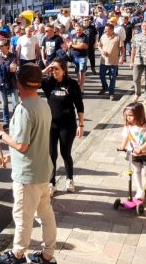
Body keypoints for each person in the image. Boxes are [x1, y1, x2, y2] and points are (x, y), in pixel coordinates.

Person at [0, 64, 56, 264]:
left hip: (28, 174)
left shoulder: (23, 109)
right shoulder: (43, 103)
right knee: (45, 212)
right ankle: (48, 254)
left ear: (18, 83)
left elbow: (22, 144)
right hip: (43, 169)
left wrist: (1, 134)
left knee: (22, 216)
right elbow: (35, 141)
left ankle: (17, 254)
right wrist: (10, 156)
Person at [41, 59, 84, 196]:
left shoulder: (71, 84)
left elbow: (79, 105)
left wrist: (81, 124)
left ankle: (70, 179)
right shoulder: (48, 83)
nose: (54, 72)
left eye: (56, 69)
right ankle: (51, 182)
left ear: (64, 70)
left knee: (65, 153)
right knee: (51, 154)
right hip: (51, 125)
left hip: (68, 124)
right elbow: (32, 80)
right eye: (52, 69)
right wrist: (44, 70)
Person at [118, 102, 146, 200]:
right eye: (126, 115)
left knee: (145, 173)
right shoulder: (128, 126)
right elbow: (126, 137)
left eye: (130, 115)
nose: (128, 118)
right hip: (133, 152)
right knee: (137, 171)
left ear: (139, 114)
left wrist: (141, 148)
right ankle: (140, 190)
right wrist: (122, 146)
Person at [0, 39, 18, 128]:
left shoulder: (13, 56)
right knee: (4, 104)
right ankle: (6, 122)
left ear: (7, 46)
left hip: (12, 83)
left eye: (1, 45)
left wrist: (0, 68)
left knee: (15, 104)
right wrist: (6, 68)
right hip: (0, 83)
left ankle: (15, 121)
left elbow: (13, 68)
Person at [98, 24, 125, 100]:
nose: (105, 31)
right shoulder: (103, 36)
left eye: (106, 30)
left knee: (112, 77)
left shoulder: (117, 37)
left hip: (113, 61)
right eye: (105, 30)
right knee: (101, 76)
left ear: (112, 30)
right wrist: (102, 51)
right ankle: (105, 87)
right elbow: (99, 46)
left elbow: (122, 49)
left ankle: (111, 93)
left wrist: (122, 58)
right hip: (103, 60)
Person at [69, 25, 89, 93]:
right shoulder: (73, 35)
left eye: (80, 30)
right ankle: (79, 84)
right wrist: (72, 45)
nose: (78, 31)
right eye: (77, 30)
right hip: (75, 56)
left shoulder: (85, 36)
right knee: (77, 71)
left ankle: (81, 87)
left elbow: (82, 46)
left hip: (82, 56)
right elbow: (70, 43)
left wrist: (72, 46)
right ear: (75, 30)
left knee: (82, 72)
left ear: (82, 30)